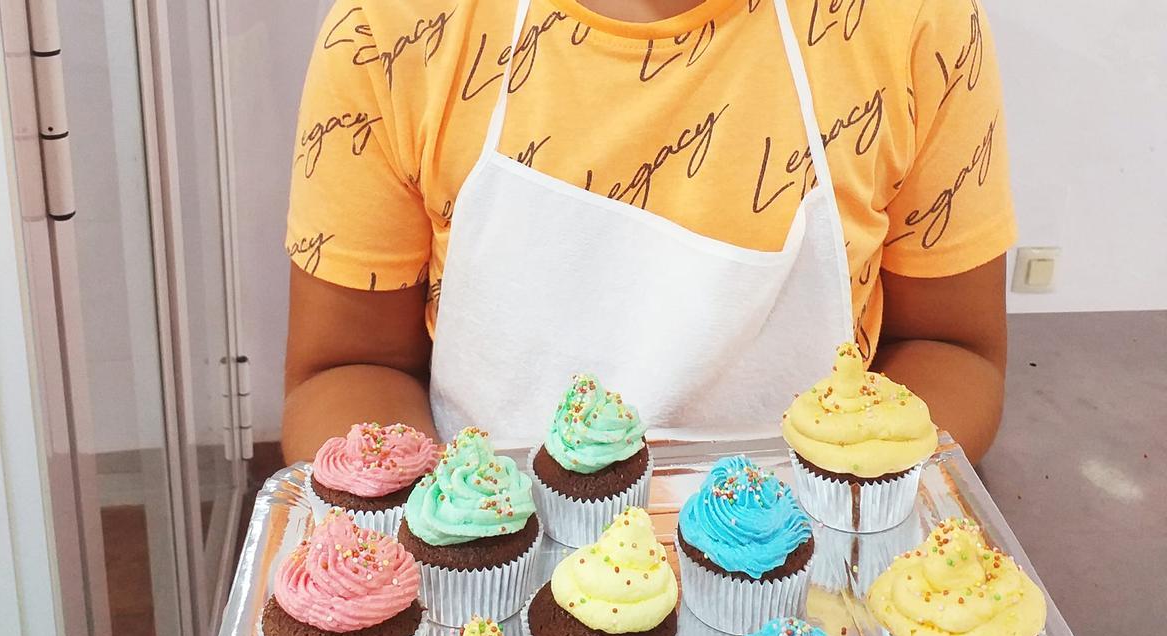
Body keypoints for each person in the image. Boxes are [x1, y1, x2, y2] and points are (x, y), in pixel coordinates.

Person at [283, 0, 1013, 464]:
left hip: (810, 602)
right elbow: (349, 368)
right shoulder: (393, 28)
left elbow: (952, 348)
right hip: (489, 609)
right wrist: (449, 537)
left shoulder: (914, 21)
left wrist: (846, 514)